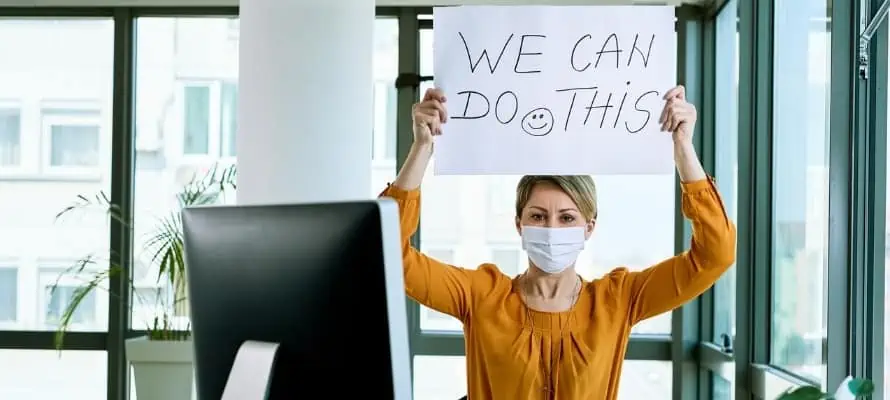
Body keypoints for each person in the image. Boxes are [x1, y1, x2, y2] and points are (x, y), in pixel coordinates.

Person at [379, 86, 736, 400]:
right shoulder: (480, 295)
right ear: (519, 224)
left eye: (567, 218)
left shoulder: (619, 300)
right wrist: (423, 148)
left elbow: (715, 254)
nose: (551, 228)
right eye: (537, 216)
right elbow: (389, 255)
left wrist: (683, 150)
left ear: (588, 227)